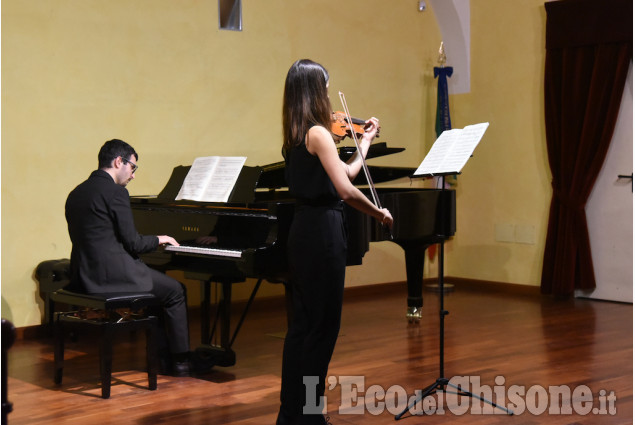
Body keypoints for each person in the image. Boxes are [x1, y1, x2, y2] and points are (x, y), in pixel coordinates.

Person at [277, 60, 393, 425]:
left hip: (302, 231)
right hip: (323, 234)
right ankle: (311, 418)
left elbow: (346, 172)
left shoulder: (297, 134)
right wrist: (378, 213)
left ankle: (291, 416)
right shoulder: (319, 133)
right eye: (325, 86)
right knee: (323, 330)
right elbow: (345, 190)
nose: (328, 93)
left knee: (301, 328)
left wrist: (366, 141)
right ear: (315, 90)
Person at [65, 139, 191, 377]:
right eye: (133, 167)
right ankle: (181, 361)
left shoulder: (77, 192)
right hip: (112, 277)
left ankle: (162, 358)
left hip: (82, 275)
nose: (133, 175)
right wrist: (159, 238)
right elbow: (134, 243)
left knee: (161, 289)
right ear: (118, 161)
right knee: (175, 291)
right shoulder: (116, 192)